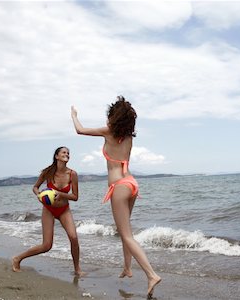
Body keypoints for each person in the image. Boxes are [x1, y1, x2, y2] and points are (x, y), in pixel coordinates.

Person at [71, 96, 161, 298]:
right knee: (125, 231)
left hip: (119, 187)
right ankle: (128, 268)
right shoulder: (128, 137)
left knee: (127, 235)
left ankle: (151, 274)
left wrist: (74, 116)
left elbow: (80, 130)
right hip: (131, 184)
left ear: (113, 117)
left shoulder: (108, 132)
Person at [12, 146, 84, 277]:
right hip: (49, 210)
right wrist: (39, 195)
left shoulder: (72, 174)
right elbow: (35, 187)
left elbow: (75, 197)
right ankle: (17, 259)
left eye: (68, 153)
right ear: (57, 156)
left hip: (64, 210)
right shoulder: (48, 172)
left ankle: (77, 269)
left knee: (73, 237)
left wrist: (60, 194)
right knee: (46, 246)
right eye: (64, 152)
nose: (67, 154)